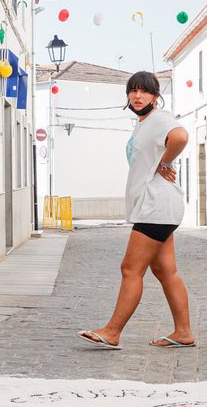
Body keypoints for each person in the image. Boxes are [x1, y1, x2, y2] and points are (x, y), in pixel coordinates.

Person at [78, 72, 193, 350]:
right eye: (133, 91)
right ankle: (183, 332)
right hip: (157, 205)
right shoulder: (144, 123)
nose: (138, 96)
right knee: (166, 271)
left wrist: (164, 163)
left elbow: (180, 136)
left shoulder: (159, 120)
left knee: (130, 268)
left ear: (156, 96)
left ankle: (113, 331)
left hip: (156, 206)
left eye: (145, 91)